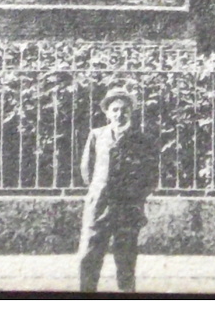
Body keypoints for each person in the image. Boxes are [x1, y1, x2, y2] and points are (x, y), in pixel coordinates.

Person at [78, 87, 158, 293]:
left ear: (131, 111)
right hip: (99, 206)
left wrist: (136, 197)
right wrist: (99, 191)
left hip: (128, 207)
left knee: (126, 258)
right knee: (90, 255)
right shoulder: (97, 136)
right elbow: (87, 169)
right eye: (114, 109)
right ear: (107, 112)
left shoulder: (143, 140)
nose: (119, 114)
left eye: (124, 109)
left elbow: (150, 175)